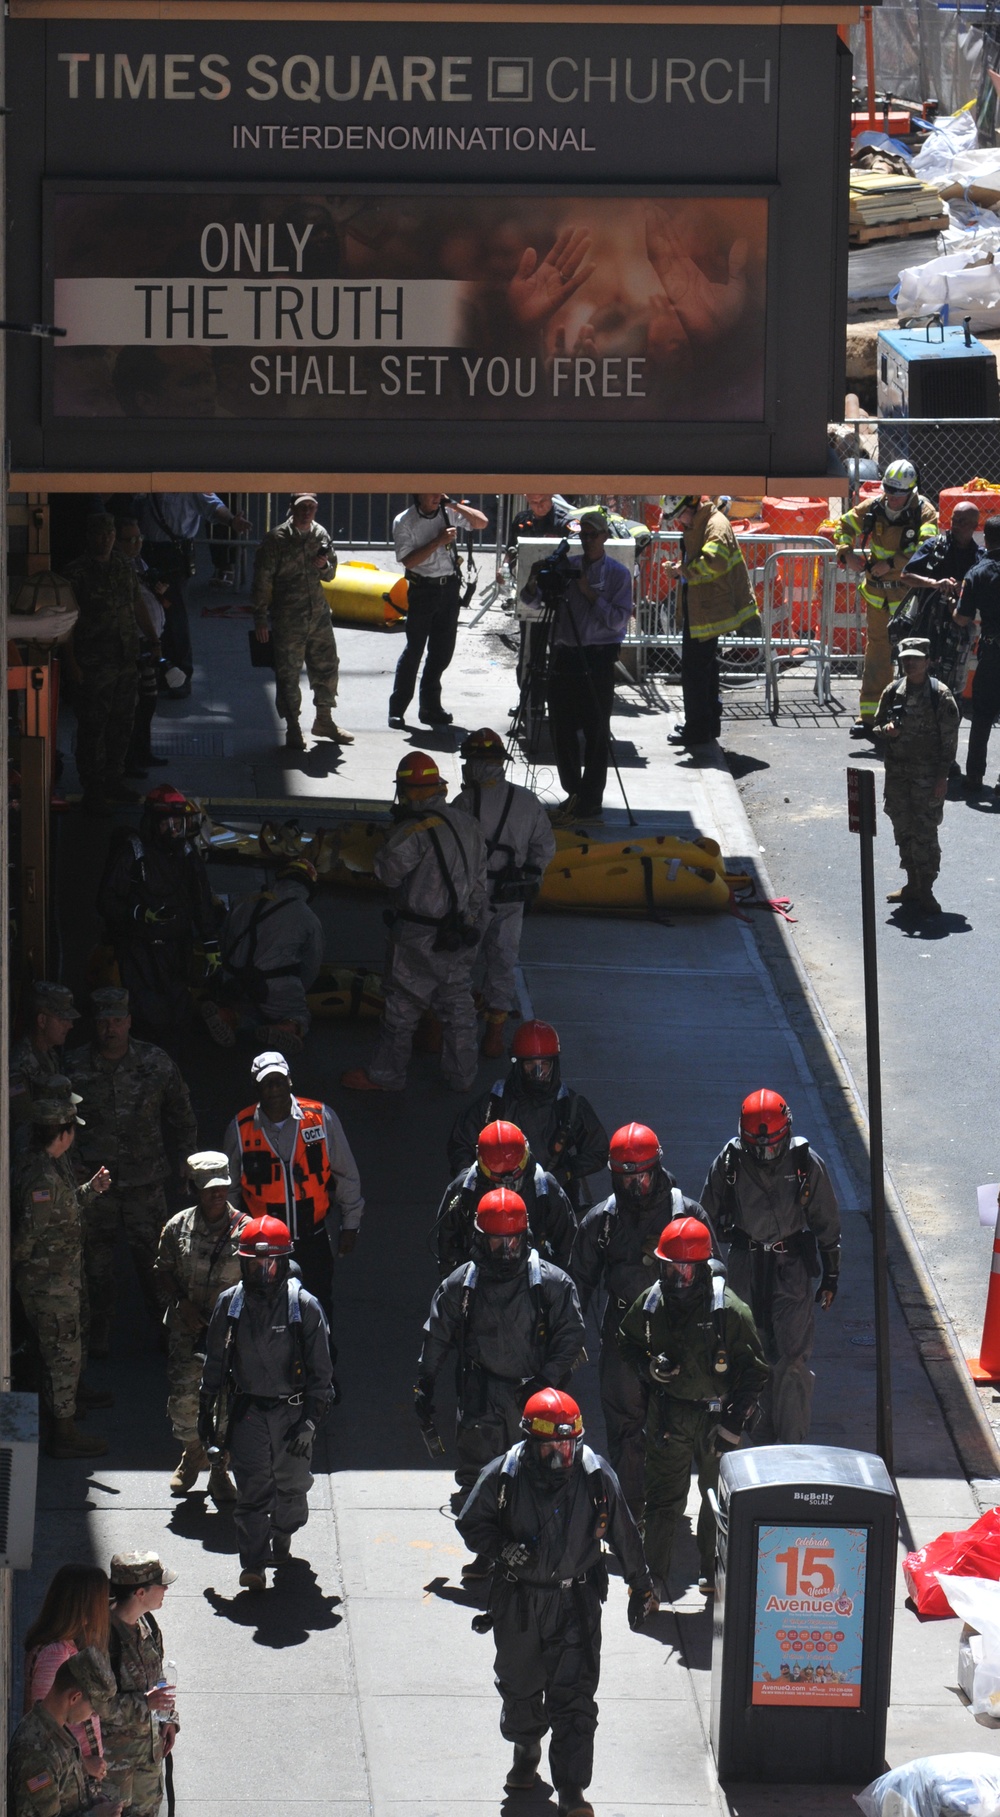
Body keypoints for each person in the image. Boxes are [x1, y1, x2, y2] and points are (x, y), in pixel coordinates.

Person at [456, 1388, 655, 1817]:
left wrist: (642, 1586)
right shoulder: (504, 1474)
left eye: (567, 1446)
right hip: (520, 1603)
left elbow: (625, 1533)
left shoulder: (597, 1476)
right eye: (550, 1447)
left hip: (576, 1603)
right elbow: (471, 1522)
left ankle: (571, 1789)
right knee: (520, 1687)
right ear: (531, 1442)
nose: (559, 1456)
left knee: (576, 1697)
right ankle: (526, 1749)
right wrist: (501, 1548)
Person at [415, 1188, 586, 1526]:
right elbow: (437, 1335)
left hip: (536, 1396)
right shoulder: (461, 1285)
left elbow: (571, 1336)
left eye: (513, 1242)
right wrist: (425, 1382)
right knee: (479, 1478)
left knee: (546, 1474)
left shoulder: (552, 1284)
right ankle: (489, 1553)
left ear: (526, 1237)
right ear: (480, 1239)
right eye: (496, 1242)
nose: (506, 1252)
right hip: (483, 1394)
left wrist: (545, 1379)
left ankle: (537, 1554)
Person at [618, 1217, 769, 1598]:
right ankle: (650, 1580)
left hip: (717, 1418)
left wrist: (733, 1422)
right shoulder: (652, 1304)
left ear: (702, 1268)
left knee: (716, 1499)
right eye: (671, 1268)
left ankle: (712, 1570)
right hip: (669, 1415)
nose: (678, 1277)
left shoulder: (730, 1313)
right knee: (663, 1498)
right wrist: (649, 1368)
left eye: (686, 1269)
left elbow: (755, 1371)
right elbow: (627, 1340)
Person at [570, 1123, 707, 1515]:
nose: (636, 1185)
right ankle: (632, 1510)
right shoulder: (602, 1222)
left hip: (676, 1330)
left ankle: (666, 1507)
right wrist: (570, 1335)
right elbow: (578, 1282)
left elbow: (715, 1275)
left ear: (658, 1168)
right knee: (625, 1425)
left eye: (643, 1175)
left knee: (674, 1425)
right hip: (623, 1331)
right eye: (627, 1177)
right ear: (614, 1175)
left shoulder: (686, 1214)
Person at [199, 1215, 335, 1590]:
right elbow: (214, 1364)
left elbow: (323, 1374)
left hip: (292, 1415)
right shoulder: (230, 1305)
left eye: (270, 1262)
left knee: (291, 1489)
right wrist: (206, 1418)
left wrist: (310, 1423)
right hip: (249, 1413)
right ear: (242, 1262)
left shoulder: (304, 1307)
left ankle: (284, 1534)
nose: (263, 1270)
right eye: (254, 1263)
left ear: (284, 1262)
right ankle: (253, 1564)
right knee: (252, 1489)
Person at [699, 1089, 841, 1444]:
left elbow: (827, 1221)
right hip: (745, 1268)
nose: (765, 1154)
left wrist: (831, 1274)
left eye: (772, 1147)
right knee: (749, 1354)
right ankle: (760, 1448)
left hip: (790, 1270)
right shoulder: (729, 1163)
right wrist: (706, 1277)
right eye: (757, 1148)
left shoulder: (805, 1164)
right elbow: (704, 1221)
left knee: (792, 1360)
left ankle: (792, 1448)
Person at [341, 752, 487, 1095]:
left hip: (418, 935)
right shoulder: (468, 825)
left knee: (402, 1007)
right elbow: (480, 885)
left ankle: (387, 1075)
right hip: (461, 931)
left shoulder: (414, 830)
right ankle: (463, 1075)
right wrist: (467, 918)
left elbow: (387, 874)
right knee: (457, 1004)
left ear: (407, 791)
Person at [66, 987, 198, 1353]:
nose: (110, 1028)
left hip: (145, 1182)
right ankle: (97, 1336)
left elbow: (181, 1111)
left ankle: (169, 1331)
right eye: (103, 1021)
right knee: (95, 1266)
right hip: (96, 1185)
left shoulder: (155, 1063)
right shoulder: (74, 1066)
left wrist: (189, 1158)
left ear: (128, 1022)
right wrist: (70, 1165)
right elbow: (61, 1120)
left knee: (157, 1263)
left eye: (117, 1021)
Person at [12, 1082, 113, 1460]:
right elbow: (28, 1235)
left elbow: (61, 1210)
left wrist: (90, 1190)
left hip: (58, 1281)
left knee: (58, 1354)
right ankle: (64, 1434)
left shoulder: (50, 1168)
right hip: (48, 1286)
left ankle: (61, 1419)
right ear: (64, 1133)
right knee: (61, 1356)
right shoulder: (42, 1177)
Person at [223, 1051, 363, 1325]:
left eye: (279, 1080)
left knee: (320, 1305)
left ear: (290, 1081)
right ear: (256, 1088)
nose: (274, 1088)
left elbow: (346, 1174)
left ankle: (323, 1365)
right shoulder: (240, 1128)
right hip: (265, 1243)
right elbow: (230, 1190)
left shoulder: (321, 1117)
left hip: (314, 1236)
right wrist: (234, 1236)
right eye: (266, 1083)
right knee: (266, 1308)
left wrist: (351, 1224)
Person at [522, 510, 633, 824]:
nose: (587, 540)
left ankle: (591, 799)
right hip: (565, 656)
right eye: (583, 535)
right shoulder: (567, 567)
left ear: (604, 538)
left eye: (593, 535)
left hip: (598, 659)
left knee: (597, 732)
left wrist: (587, 591)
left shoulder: (617, 574)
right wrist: (535, 578)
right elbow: (532, 602)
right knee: (562, 729)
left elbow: (617, 620)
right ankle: (574, 792)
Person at [454, 727, 556, 1056]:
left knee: (458, 963)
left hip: (471, 897)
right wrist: (529, 873)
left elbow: (449, 853)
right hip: (512, 896)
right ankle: (494, 1037)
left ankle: (454, 1032)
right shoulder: (527, 801)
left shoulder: (464, 803)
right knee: (503, 962)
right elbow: (545, 848)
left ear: (472, 763)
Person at [153, 1151, 247, 1502]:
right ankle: (192, 1455)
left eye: (222, 1187)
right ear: (194, 1188)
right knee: (183, 1402)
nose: (217, 1194)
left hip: (228, 1335)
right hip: (186, 1330)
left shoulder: (245, 1229)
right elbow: (162, 1270)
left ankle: (219, 1471)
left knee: (225, 1407)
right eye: (209, 1189)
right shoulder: (178, 1226)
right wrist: (181, 1302)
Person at [95, 785, 223, 1041]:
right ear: (153, 822)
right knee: (148, 1016)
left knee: (177, 1013)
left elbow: (201, 901)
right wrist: (139, 913)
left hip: (177, 947)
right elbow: (106, 901)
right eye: (167, 823)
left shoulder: (187, 855)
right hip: (139, 950)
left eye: (179, 822)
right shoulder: (132, 853)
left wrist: (211, 944)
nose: (174, 829)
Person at [448, 1020, 610, 1214]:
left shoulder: (570, 1105)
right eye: (530, 1065)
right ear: (517, 1064)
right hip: (499, 1202)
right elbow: (460, 1144)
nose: (538, 1072)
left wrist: (566, 1172)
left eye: (544, 1065)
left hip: (552, 1204)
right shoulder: (494, 1103)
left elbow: (599, 1151)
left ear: (554, 1064)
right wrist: (477, 1181)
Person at [833, 460, 938, 737]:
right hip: (878, 595)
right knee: (877, 653)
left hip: (907, 597)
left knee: (911, 656)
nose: (891, 496)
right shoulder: (874, 507)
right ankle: (869, 718)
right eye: (888, 489)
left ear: (912, 490)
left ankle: (908, 717)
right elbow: (842, 526)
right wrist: (848, 553)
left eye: (897, 492)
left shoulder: (924, 512)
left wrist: (892, 563)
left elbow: (927, 548)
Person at [251, 492, 352, 752]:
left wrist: (324, 566)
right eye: (302, 507)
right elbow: (263, 581)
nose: (307, 511)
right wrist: (260, 617)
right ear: (292, 508)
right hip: (288, 618)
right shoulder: (276, 539)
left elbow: (331, 574)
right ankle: (293, 726)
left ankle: (324, 720)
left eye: (311, 506)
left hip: (318, 615)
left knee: (327, 667)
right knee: (288, 673)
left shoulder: (320, 534)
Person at [661, 494, 756, 751]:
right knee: (705, 667)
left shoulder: (715, 524)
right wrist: (681, 568)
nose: (679, 522)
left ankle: (698, 728)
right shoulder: (701, 522)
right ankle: (707, 724)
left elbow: (714, 561)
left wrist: (683, 570)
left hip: (707, 609)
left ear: (692, 505)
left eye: (679, 515)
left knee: (694, 671)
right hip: (701, 607)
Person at [872, 635, 959, 914]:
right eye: (906, 658)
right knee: (903, 829)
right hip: (897, 775)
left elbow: (949, 742)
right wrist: (886, 731)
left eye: (916, 658)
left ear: (928, 661)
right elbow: (875, 725)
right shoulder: (893, 690)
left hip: (927, 778)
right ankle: (912, 883)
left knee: (925, 832)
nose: (910, 663)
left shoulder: (940, 695)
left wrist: (942, 778)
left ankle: (927, 889)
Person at [64, 513, 144, 816]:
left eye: (110, 533)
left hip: (125, 659)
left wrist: (153, 640)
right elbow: (67, 621)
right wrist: (71, 662)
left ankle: (113, 778)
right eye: (100, 533)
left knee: (122, 723)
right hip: (94, 662)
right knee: (93, 726)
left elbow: (136, 603)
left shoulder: (124, 566)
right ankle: (93, 787)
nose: (106, 538)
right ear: (90, 536)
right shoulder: (76, 574)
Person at [135, 491, 250, 697]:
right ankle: (156, 670)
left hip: (174, 556)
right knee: (149, 611)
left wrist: (232, 520)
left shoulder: (188, 484)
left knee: (174, 615)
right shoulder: (147, 481)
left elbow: (212, 505)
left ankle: (180, 675)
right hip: (146, 552)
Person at [389, 492, 488, 729]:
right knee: (414, 650)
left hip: (449, 588)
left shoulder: (448, 511)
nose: (436, 497)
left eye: (439, 492)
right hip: (423, 589)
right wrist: (437, 541)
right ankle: (398, 708)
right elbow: (408, 561)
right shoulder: (405, 521)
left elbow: (481, 522)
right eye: (431, 493)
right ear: (418, 495)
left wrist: (454, 505)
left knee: (442, 652)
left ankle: (430, 707)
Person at [206, 858, 325, 1053]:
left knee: (248, 1010)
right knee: (298, 1013)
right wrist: (297, 991)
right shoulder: (307, 917)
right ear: (309, 887)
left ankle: (227, 1015)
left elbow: (224, 940)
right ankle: (286, 1026)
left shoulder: (242, 900)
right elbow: (311, 965)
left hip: (233, 981)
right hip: (272, 987)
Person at [433, 1120, 577, 1275]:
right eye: (497, 1176)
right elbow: (447, 1239)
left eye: (514, 1174)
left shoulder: (544, 1188)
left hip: (531, 1273)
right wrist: (453, 1272)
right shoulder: (465, 1189)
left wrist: (553, 1279)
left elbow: (567, 1243)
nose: (506, 1184)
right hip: (480, 1273)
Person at [102, 1554, 178, 1817]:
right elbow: (93, 1706)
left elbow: (157, 1679)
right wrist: (146, 1703)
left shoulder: (148, 1624)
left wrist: (168, 1719)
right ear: (140, 1592)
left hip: (149, 1762)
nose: (166, 1589)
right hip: (113, 1770)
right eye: (160, 1584)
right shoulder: (103, 1638)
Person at [23, 1566, 111, 1789]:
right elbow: (43, 1730)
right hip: (66, 1781)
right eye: (100, 1601)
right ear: (85, 1606)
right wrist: (83, 1765)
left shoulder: (65, 1645)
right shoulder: (55, 1654)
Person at [8, 1648, 121, 1817]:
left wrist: (94, 1802)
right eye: (93, 1709)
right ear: (75, 1698)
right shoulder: (38, 1753)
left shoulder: (56, 1731)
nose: (93, 1715)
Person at [897, 500, 981, 702]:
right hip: (925, 625)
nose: (955, 525)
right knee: (913, 683)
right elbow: (905, 575)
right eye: (954, 519)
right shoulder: (934, 547)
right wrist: (934, 583)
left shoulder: (978, 556)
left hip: (957, 631)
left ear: (974, 526)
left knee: (951, 690)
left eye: (962, 521)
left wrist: (964, 587)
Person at [113, 519, 168, 781]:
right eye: (130, 540)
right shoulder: (118, 567)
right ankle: (129, 757)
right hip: (134, 643)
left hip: (149, 642)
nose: (136, 544)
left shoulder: (138, 562)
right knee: (132, 706)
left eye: (139, 539)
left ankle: (142, 751)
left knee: (148, 700)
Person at [953, 514, 1000, 792]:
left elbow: (962, 617)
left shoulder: (977, 572)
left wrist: (952, 604)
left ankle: (974, 777)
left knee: (982, 715)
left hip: (993, 652)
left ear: (986, 538)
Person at [10, 983, 81, 1152]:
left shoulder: (50, 1056)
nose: (70, 1025)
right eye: (63, 1019)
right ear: (42, 1020)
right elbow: (23, 1129)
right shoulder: (19, 1065)